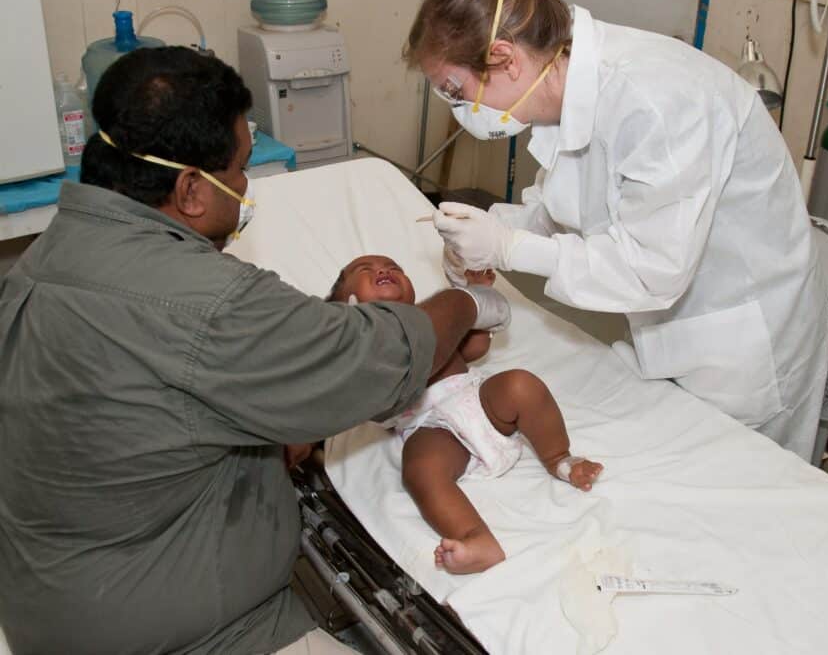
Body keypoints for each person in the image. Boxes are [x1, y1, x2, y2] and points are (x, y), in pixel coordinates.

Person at [0, 47, 510, 655]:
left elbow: (143, 409)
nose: (244, 188)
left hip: (51, 599)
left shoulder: (38, 263)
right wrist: (470, 305)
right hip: (189, 633)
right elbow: (379, 358)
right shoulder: (206, 303)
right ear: (191, 189)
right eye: (240, 169)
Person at [404, 0, 828, 462]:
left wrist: (509, 248)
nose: (457, 108)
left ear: (505, 59)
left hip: (743, 348)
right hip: (670, 335)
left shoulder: (656, 100)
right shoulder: (561, 91)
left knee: (751, 496)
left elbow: (652, 268)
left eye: (455, 90)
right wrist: (488, 231)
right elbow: (564, 204)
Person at [329, 254, 602, 574]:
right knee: (420, 469)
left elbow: (475, 348)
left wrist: (472, 293)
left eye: (395, 268)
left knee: (520, 385)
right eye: (366, 271)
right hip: (430, 426)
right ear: (344, 303)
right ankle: (475, 538)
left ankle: (560, 459)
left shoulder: (428, 322)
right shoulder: (357, 350)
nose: (384, 270)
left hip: (478, 400)